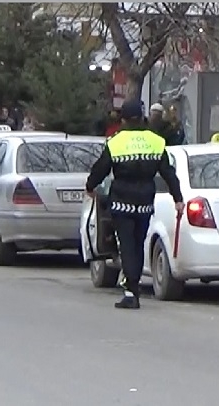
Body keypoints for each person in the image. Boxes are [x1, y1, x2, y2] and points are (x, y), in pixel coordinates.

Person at [84, 99, 185, 310]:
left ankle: (131, 291)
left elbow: (101, 168)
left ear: (123, 119)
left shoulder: (116, 142)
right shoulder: (156, 141)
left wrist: (90, 187)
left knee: (127, 246)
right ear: (141, 117)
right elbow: (168, 173)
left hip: (122, 202)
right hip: (145, 201)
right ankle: (133, 283)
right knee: (138, 244)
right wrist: (178, 199)